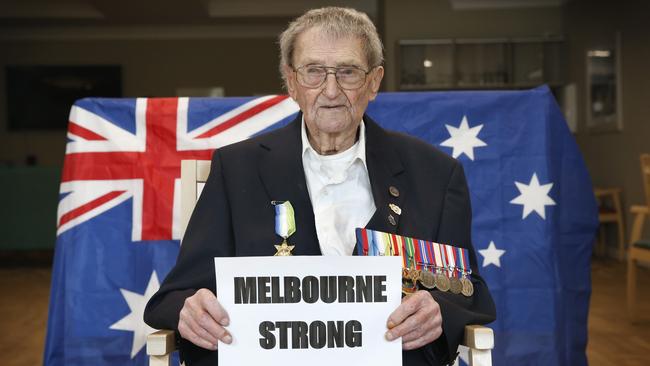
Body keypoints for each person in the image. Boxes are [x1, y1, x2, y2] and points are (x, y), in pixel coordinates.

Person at [144, 7, 496, 366]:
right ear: (291, 82)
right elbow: (176, 294)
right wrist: (189, 311)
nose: (331, 90)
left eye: (348, 72)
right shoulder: (237, 169)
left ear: (374, 81)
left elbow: (469, 293)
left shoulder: (434, 174)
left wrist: (438, 311)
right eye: (313, 72)